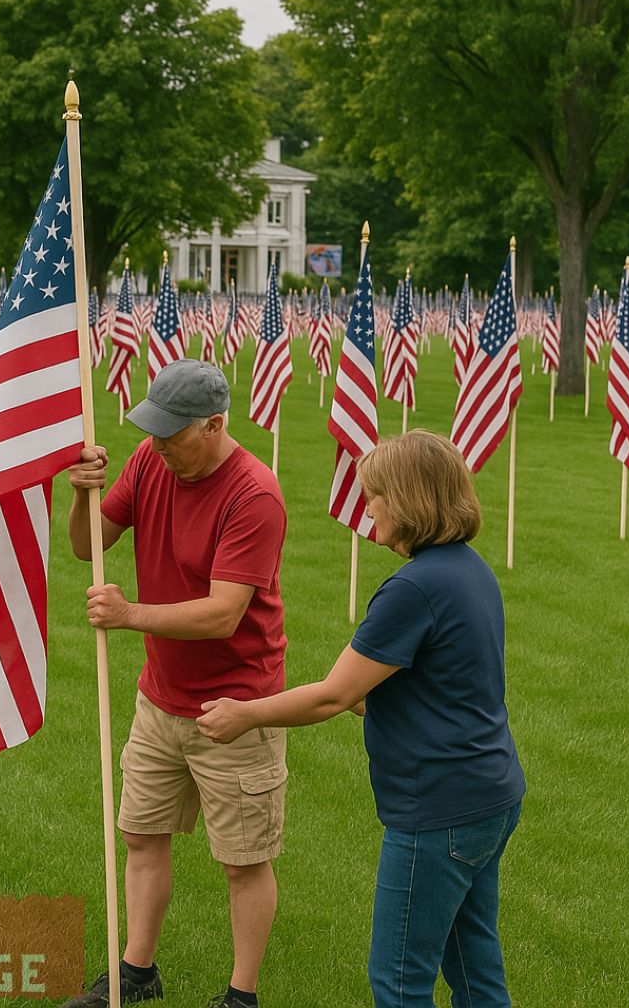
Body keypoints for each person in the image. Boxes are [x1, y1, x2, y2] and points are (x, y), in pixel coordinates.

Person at [198, 430, 526, 1008]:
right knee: (476, 969)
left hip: (438, 811)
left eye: (374, 494)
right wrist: (355, 693)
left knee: (399, 981)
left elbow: (331, 696)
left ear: (407, 500)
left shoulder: (414, 588)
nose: (368, 505)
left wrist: (246, 713)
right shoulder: (469, 570)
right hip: (490, 796)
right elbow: (425, 687)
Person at [65, 359, 289, 1008]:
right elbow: (89, 548)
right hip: (160, 698)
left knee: (243, 860)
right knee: (141, 836)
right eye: (151, 432)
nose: (158, 446)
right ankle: (137, 971)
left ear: (214, 425)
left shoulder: (254, 494)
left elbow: (224, 613)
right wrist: (84, 493)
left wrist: (130, 613)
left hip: (236, 706)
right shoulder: (148, 462)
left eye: (172, 434)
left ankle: (240, 995)